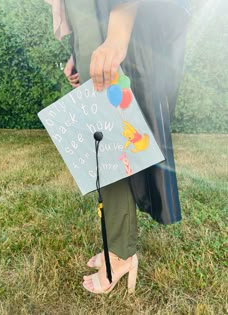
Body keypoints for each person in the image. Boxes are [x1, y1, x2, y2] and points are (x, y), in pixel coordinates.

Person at [45, 0, 189, 294]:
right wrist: (78, 50)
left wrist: (116, 37)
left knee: (113, 149)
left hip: (109, 23)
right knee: (102, 150)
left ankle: (121, 254)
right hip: (91, 27)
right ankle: (115, 242)